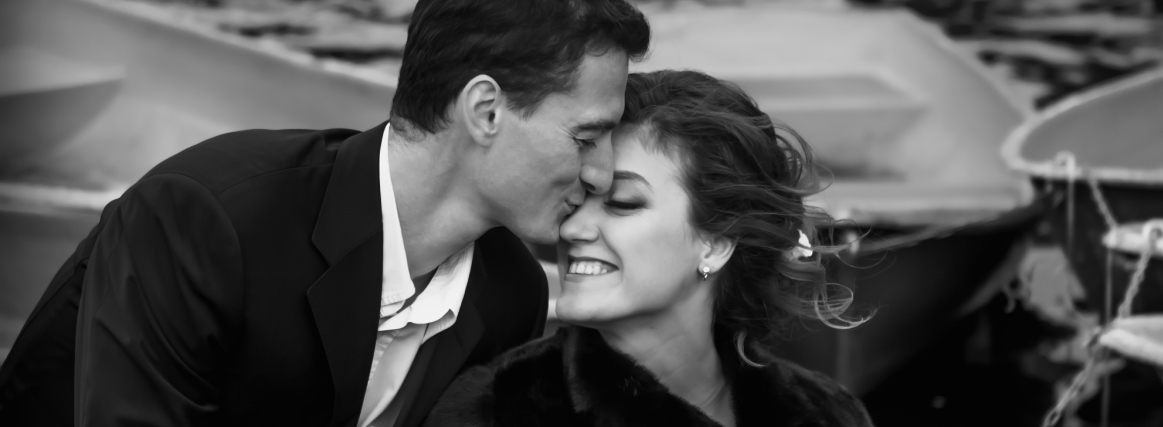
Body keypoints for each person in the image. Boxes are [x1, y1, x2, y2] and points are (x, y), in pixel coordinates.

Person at [0, 1, 649, 425]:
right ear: (485, 112)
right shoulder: (209, 219)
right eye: (586, 138)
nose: (600, 174)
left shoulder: (511, 291)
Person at [425, 69, 876, 427]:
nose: (574, 227)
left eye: (622, 203)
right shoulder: (494, 410)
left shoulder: (828, 413)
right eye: (578, 199)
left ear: (716, 244)